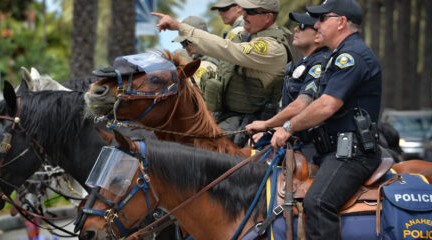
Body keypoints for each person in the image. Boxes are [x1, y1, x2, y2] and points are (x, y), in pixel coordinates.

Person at [270, 0, 382, 239]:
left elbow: (326, 106)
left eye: (322, 19)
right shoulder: (338, 56)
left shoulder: (352, 56)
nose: (317, 24)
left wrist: (288, 127)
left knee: (318, 202)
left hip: (353, 155)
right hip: (333, 152)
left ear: (341, 22)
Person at [152, 0, 292, 146]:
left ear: (268, 17)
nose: (243, 15)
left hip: (250, 124)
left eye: (250, 12)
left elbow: (225, 48)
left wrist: (180, 27)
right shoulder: (248, 35)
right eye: (244, 10)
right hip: (230, 117)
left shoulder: (270, 47)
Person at [245, 11, 330, 148]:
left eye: (302, 26)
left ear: (318, 34)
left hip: (311, 144)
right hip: (291, 135)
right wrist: (273, 130)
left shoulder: (320, 63)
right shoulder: (303, 63)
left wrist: (267, 125)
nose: (295, 29)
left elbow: (302, 104)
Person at [172, 16, 219, 89]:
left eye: (185, 43)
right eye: (182, 43)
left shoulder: (205, 65)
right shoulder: (216, 55)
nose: (183, 47)